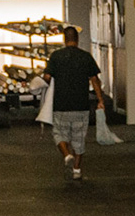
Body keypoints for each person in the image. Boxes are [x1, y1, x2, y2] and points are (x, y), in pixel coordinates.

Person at [42, 26, 104, 180]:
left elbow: (47, 78)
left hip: (61, 104)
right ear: (77, 39)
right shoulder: (86, 57)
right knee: (79, 138)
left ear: (64, 39)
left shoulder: (56, 56)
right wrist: (100, 100)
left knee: (59, 133)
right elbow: (95, 80)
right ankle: (77, 169)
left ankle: (66, 154)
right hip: (81, 105)